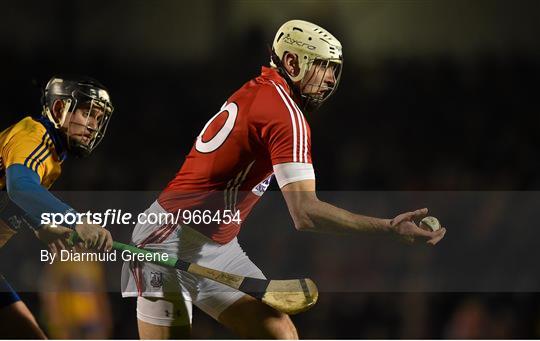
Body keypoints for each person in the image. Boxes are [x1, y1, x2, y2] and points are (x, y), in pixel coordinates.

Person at [121, 19, 447, 339]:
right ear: (291, 62)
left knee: (280, 334)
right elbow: (305, 213)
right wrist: (389, 228)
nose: (331, 79)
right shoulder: (285, 114)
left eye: (334, 69)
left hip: (215, 244)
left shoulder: (261, 90)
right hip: (166, 239)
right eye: (322, 66)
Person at [0, 75, 114, 338]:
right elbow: (21, 188)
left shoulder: (50, 155)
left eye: (98, 118)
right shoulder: (32, 137)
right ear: (60, 109)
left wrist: (40, 226)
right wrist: (77, 221)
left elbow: (10, 195)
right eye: (88, 113)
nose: (93, 126)